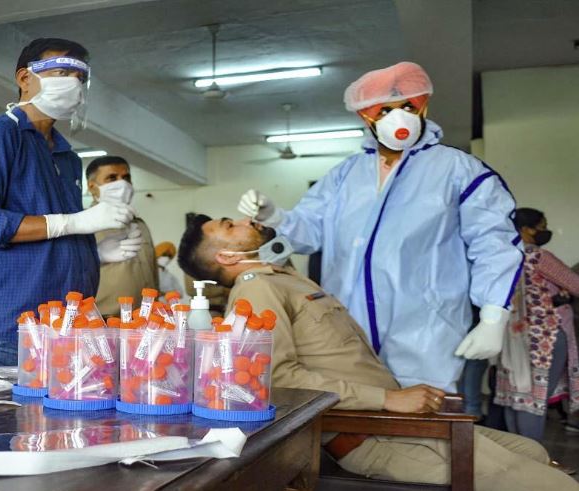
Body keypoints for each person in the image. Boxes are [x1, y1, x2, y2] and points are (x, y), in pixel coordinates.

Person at [176, 214, 579, 490]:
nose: (245, 221)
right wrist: (387, 398)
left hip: (397, 424)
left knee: (533, 450)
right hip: (373, 435)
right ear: (226, 257)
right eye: (230, 225)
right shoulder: (257, 290)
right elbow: (281, 381)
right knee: (554, 484)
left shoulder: (284, 279)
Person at [238, 62, 523, 391]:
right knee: (356, 411)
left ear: (423, 107)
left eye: (408, 107)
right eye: (384, 110)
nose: (399, 118)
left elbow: (493, 241)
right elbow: (309, 231)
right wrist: (275, 216)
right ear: (366, 117)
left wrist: (493, 314)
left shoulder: (457, 169)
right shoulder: (346, 174)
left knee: (422, 414)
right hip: (346, 332)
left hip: (425, 330)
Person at [0, 38, 134, 366]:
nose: (74, 84)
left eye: (80, 78)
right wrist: (74, 222)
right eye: (62, 73)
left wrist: (91, 252)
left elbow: (54, 233)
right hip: (14, 331)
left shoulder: (67, 157)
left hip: (69, 329)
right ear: (25, 78)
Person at [494, 208, 579, 441]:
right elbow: (575, 284)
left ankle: (515, 453)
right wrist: (562, 295)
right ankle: (531, 456)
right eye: (541, 227)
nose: (545, 231)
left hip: (511, 336)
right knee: (534, 398)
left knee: (514, 396)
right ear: (525, 229)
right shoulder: (538, 257)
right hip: (545, 337)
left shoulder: (502, 256)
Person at [86, 156, 157, 317]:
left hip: (144, 318)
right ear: (92, 187)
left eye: (126, 177)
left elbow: (152, 269)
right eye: (112, 178)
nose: (122, 184)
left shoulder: (140, 225)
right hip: (103, 318)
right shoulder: (85, 225)